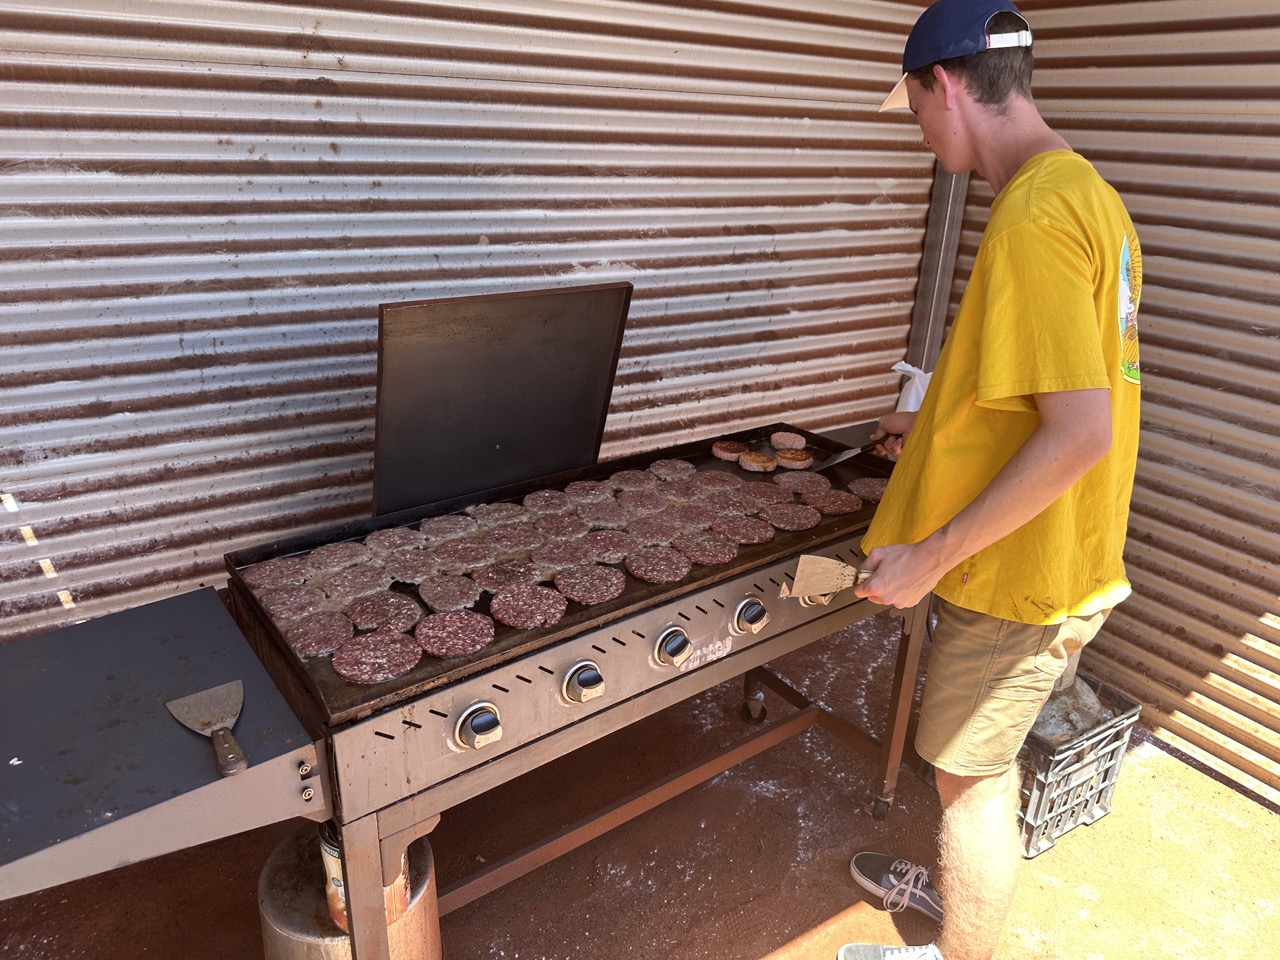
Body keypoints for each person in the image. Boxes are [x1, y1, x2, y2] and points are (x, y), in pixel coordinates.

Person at [836, 2, 1143, 959]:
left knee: (972, 781)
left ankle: (961, 947)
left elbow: (1076, 435)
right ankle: (966, 907)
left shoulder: (1033, 216)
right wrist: (933, 421)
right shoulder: (1086, 193)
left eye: (918, 109)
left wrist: (929, 556)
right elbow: (1055, 382)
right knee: (977, 770)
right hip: (1068, 552)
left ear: (951, 85)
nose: (923, 135)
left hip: (1019, 574)